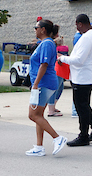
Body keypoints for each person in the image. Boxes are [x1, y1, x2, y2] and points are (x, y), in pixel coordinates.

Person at [57, 14, 92, 147]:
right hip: (90, 75)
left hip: (82, 77)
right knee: (84, 105)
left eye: (77, 25)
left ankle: (83, 135)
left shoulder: (86, 38)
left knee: (80, 106)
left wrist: (62, 58)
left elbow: (78, 60)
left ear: (80, 24)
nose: (77, 29)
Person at [25, 19, 67, 156]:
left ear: (43, 29)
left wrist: (36, 84)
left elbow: (44, 65)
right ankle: (39, 147)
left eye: (36, 27)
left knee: (33, 115)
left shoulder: (47, 44)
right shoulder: (45, 43)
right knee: (38, 115)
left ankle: (57, 138)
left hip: (44, 84)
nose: (35, 30)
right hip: (45, 83)